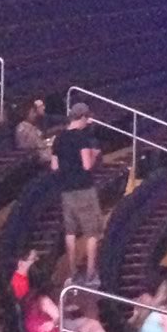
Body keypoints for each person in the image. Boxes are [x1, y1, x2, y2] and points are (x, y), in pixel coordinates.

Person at [52, 101, 104, 280]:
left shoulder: (59, 138)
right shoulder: (82, 138)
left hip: (66, 190)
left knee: (70, 232)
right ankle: (90, 273)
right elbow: (87, 165)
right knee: (92, 232)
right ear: (82, 117)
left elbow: (54, 166)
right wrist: (95, 154)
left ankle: (73, 271)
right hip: (84, 189)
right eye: (86, 117)